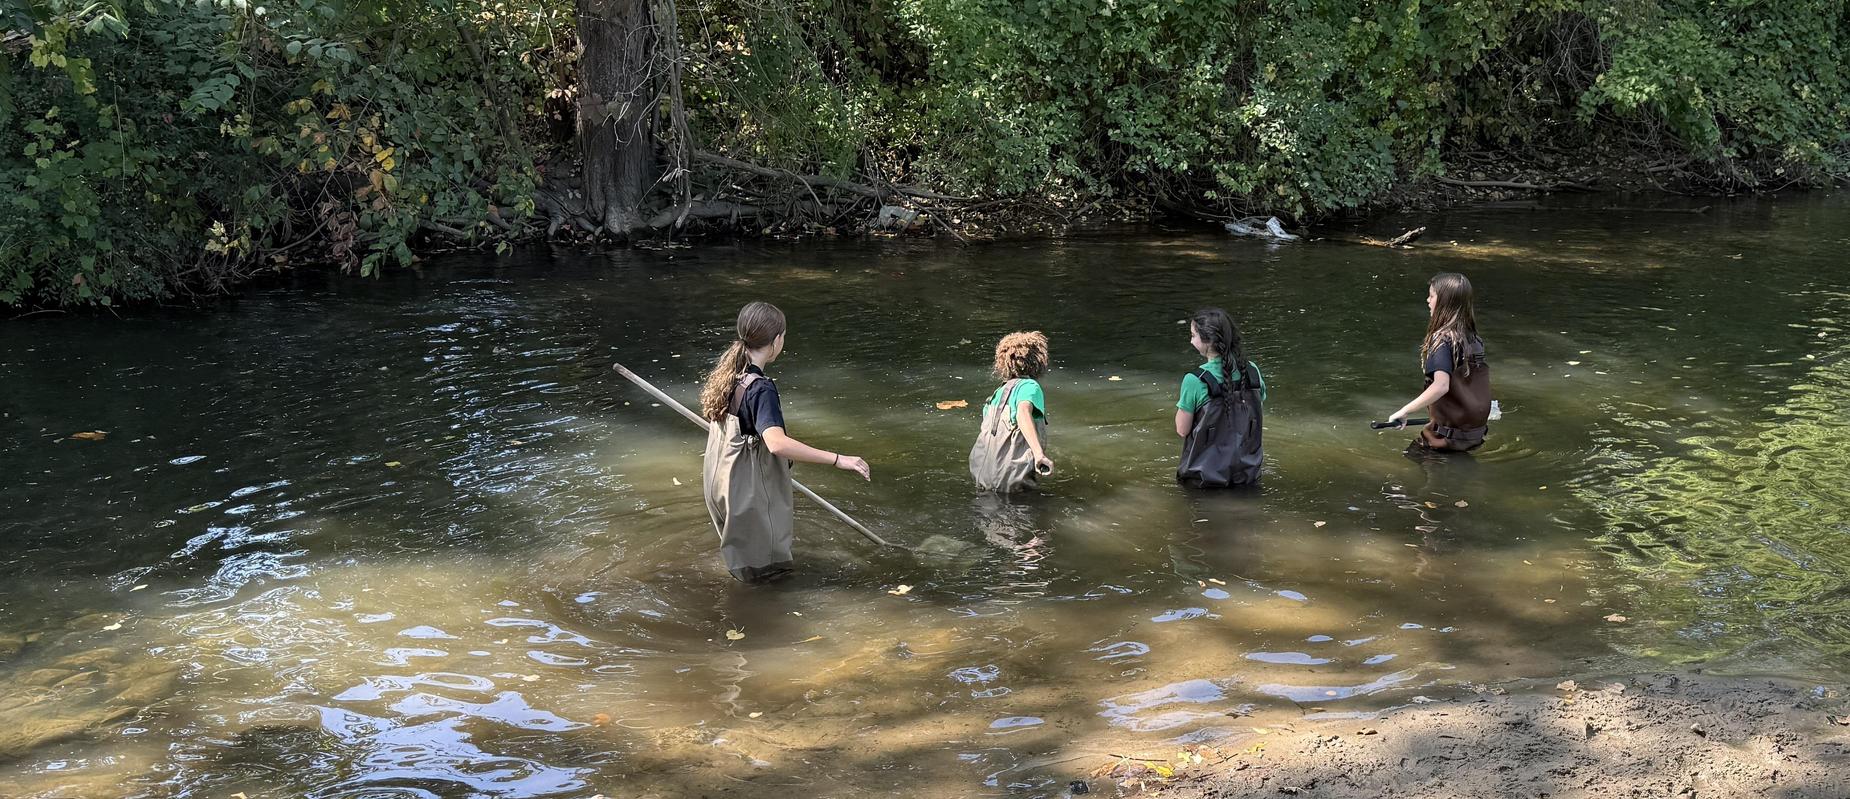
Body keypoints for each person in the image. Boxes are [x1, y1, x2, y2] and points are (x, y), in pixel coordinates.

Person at [699, 302, 870, 581]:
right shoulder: (760, 388)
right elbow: (776, 444)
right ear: (776, 340)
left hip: (720, 486)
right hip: (747, 494)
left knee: (742, 564)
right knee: (768, 575)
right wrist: (839, 459)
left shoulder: (729, 378)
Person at [1388, 272, 1492, 451]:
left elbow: (1441, 386)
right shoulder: (1473, 339)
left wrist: (1404, 411)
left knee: (1413, 456)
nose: (1428, 300)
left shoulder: (1442, 340)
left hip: (1443, 440)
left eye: (1432, 295)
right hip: (1472, 436)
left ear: (1444, 301)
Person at [1175, 308, 1266, 487]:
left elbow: (1182, 430)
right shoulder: (1252, 371)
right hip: (1247, 476)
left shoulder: (1194, 380)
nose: (1191, 340)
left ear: (1207, 341)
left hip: (1205, 481)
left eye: (1193, 335)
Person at [969, 331, 1053, 492]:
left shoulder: (997, 393)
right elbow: (1023, 412)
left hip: (983, 474)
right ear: (1038, 361)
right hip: (1011, 477)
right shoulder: (1029, 387)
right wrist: (1039, 454)